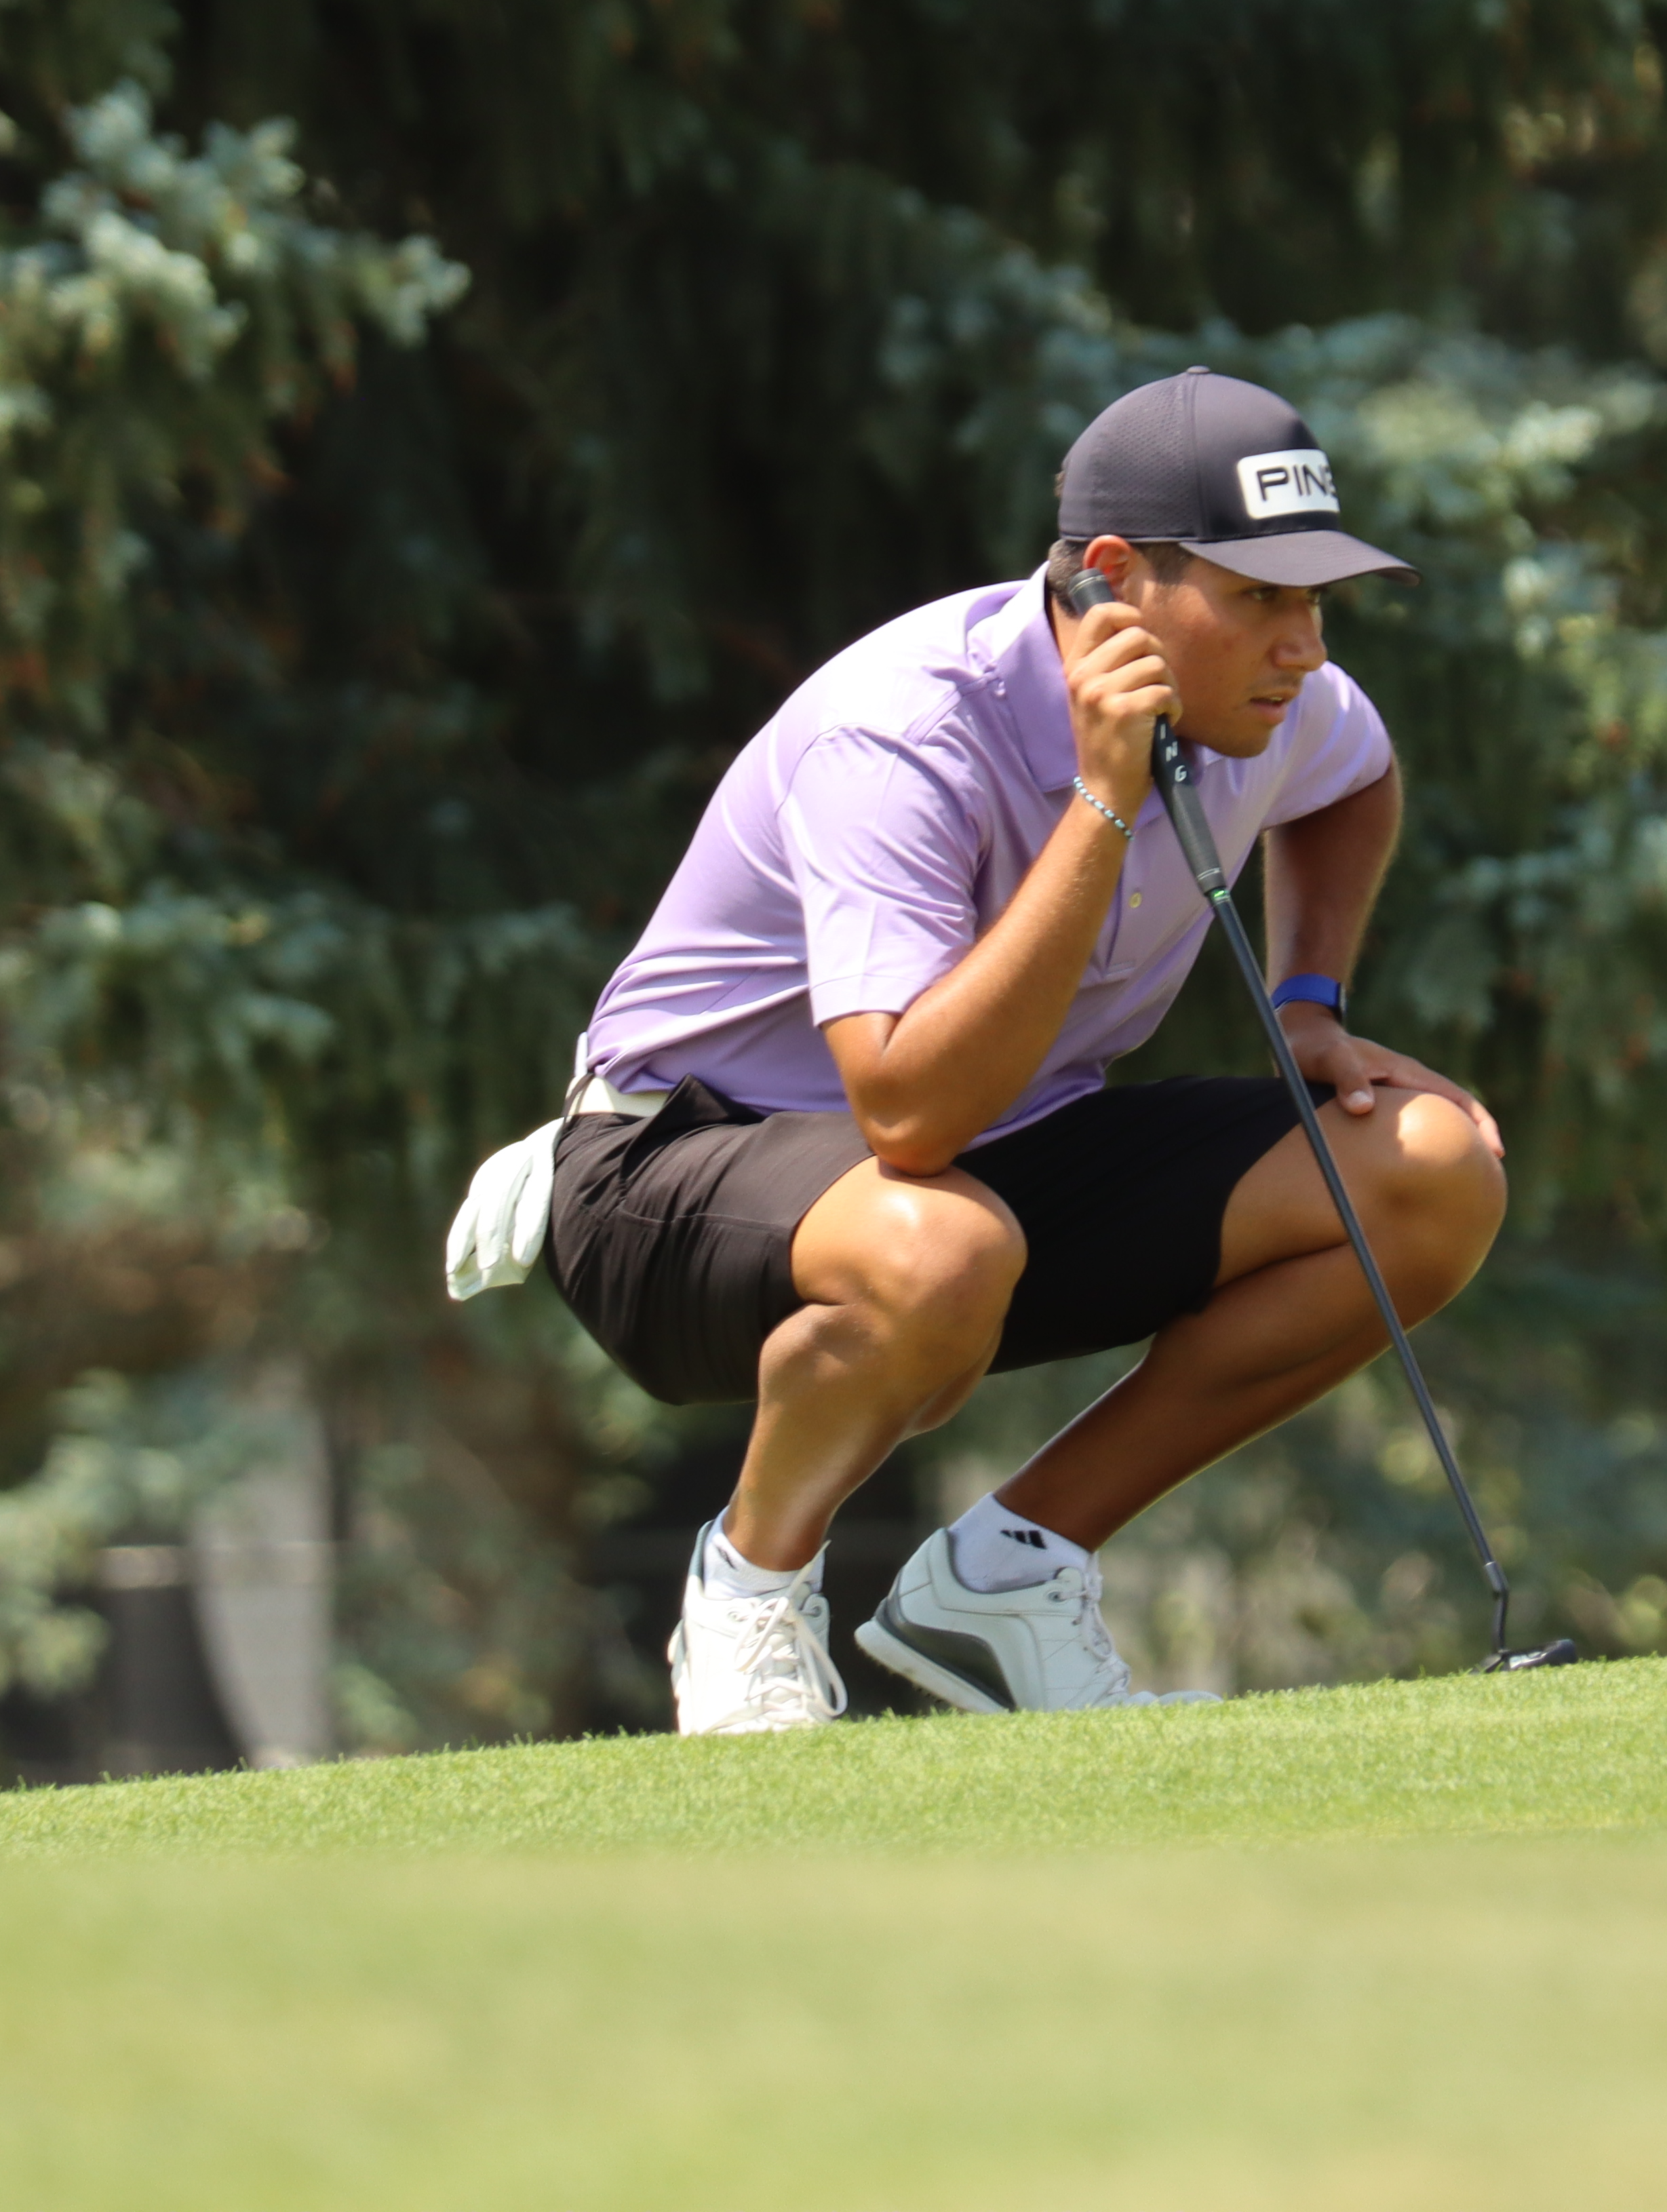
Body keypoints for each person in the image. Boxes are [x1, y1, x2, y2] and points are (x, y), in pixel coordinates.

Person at [475, 368, 1510, 1732]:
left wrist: (1309, 996)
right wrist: (1102, 800)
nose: (1305, 647)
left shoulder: (1271, 701)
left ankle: (1010, 1574)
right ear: (1116, 576)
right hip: (669, 1165)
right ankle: (749, 1591)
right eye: (1262, 596)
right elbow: (905, 1108)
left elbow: (1354, 778)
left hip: (988, 1157)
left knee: (1433, 1165)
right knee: (940, 1246)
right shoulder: (904, 726)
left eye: (1316, 599)